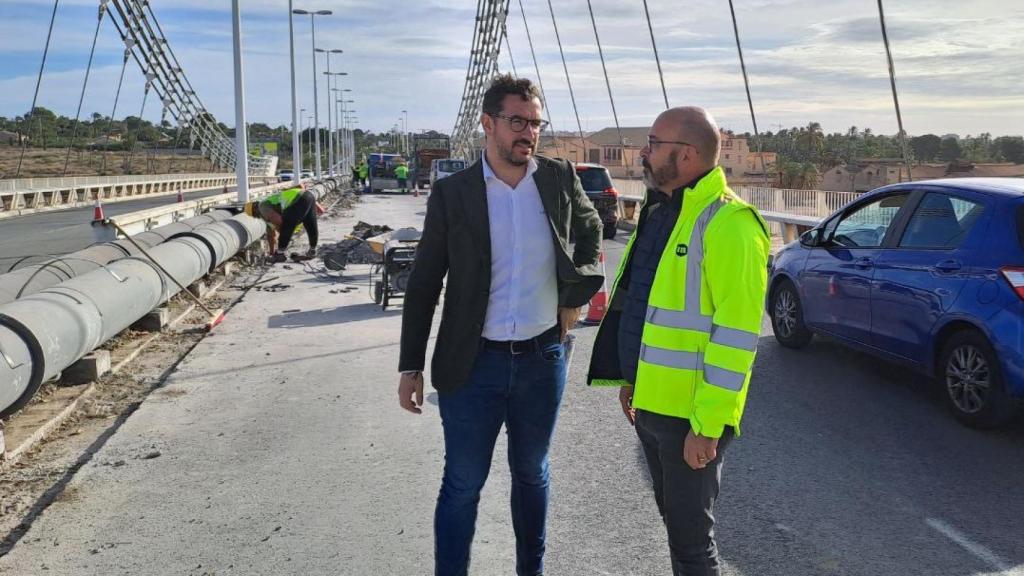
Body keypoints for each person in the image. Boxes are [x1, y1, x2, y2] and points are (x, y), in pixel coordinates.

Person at [398, 74, 603, 576]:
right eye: (517, 122)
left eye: (535, 123)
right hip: (472, 367)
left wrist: (574, 297)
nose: (528, 133)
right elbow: (424, 283)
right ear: (487, 123)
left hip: (542, 360)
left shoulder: (557, 178)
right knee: (463, 484)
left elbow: (592, 227)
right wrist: (410, 367)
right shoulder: (453, 194)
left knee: (532, 475)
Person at [586, 107, 769, 575]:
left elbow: (736, 336)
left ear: (685, 155)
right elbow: (644, 303)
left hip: (690, 416)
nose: (642, 154)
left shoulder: (730, 225)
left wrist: (707, 426)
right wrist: (632, 379)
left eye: (652, 144)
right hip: (652, 403)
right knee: (677, 527)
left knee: (692, 544)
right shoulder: (663, 210)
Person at [244, 182, 324, 264]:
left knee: (286, 225)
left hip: (298, 200)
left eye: (254, 215)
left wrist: (284, 237)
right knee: (310, 224)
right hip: (309, 196)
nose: (256, 217)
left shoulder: (262, 207)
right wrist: (272, 253)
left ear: (254, 209)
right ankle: (312, 250)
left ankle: (280, 255)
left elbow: (280, 222)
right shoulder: (267, 205)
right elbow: (271, 235)